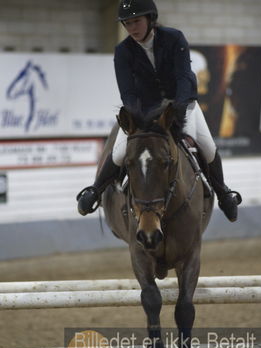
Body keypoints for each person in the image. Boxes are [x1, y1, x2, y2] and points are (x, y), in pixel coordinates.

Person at [77, 0, 242, 222]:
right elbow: (127, 92)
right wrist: (139, 120)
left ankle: (224, 194)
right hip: (144, 112)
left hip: (182, 106)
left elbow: (184, 77)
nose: (132, 28)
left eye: (136, 21)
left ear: (150, 19)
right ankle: (94, 191)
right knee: (118, 153)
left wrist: (179, 110)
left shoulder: (174, 39)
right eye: (127, 23)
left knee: (208, 148)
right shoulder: (123, 51)